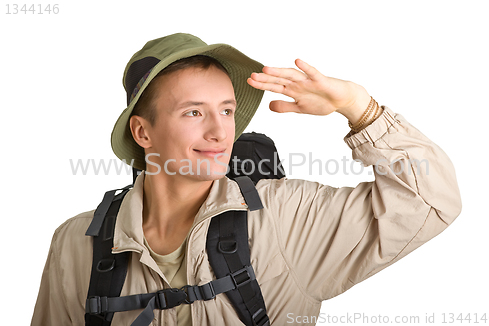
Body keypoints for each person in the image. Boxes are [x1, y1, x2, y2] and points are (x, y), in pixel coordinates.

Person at [31, 33, 462, 325]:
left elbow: (431, 200)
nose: (221, 133)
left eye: (226, 110)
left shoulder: (284, 217)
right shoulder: (75, 243)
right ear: (143, 132)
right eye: (194, 112)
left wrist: (359, 107)